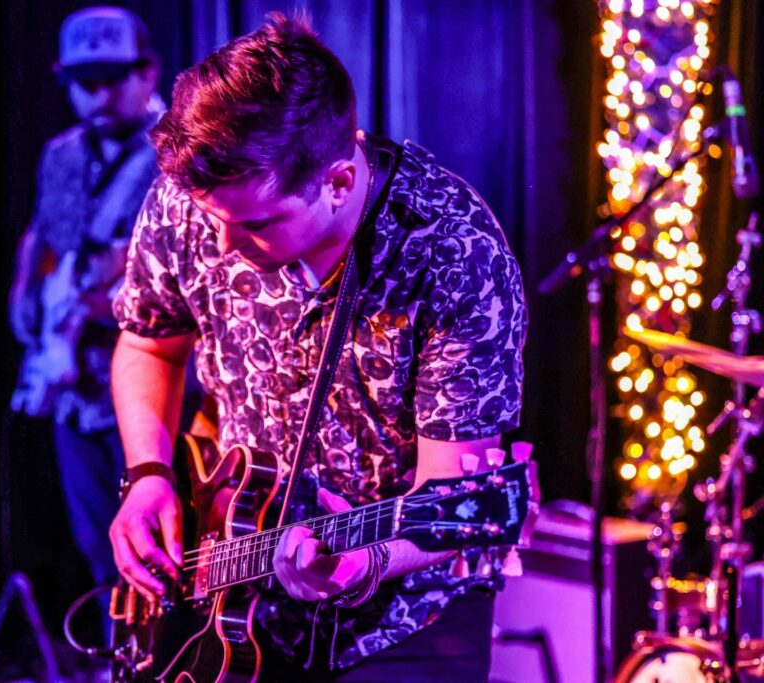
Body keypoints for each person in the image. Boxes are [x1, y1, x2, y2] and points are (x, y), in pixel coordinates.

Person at [109, 11, 527, 682]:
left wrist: (360, 565)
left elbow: (454, 492)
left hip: (403, 615)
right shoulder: (196, 198)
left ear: (335, 182)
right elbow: (149, 346)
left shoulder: (455, 251)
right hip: (223, 590)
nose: (220, 247)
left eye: (253, 224)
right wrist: (148, 477)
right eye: (213, 221)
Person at [7, 6, 162, 643]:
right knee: (98, 542)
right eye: (83, 79)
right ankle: (117, 660)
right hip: (75, 387)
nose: (97, 94)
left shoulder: (177, 149)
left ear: (147, 71)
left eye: (113, 77)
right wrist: (26, 290)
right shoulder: (61, 155)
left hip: (156, 384)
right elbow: (46, 235)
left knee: (161, 542)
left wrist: (119, 303)